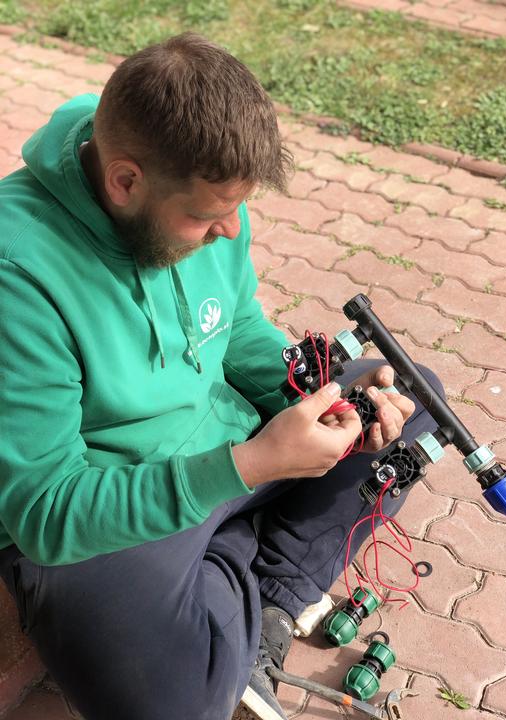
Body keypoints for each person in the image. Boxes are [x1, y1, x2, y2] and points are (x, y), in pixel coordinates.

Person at [0, 33, 443, 720]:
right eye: (208, 216)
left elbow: (235, 329)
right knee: (170, 704)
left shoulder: (192, 179)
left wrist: (323, 396)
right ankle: (239, 568)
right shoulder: (17, 274)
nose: (232, 231)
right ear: (125, 182)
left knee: (413, 398)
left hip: (232, 451)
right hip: (113, 509)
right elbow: (45, 513)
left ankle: (266, 608)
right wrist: (248, 466)